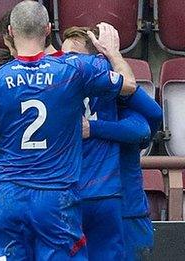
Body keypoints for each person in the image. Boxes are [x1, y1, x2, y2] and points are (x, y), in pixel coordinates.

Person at [0, 1, 137, 260]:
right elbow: (128, 85)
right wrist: (113, 53)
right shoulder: (73, 69)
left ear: (11, 31)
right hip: (57, 196)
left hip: (10, 195)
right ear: (48, 29)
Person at [62, 26, 126, 260]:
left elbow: (147, 122)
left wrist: (96, 128)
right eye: (64, 56)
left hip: (103, 194)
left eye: (74, 57)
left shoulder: (111, 87)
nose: (68, 63)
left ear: (97, 61)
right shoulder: (55, 87)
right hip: (67, 195)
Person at [84, 87, 162, 260]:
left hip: (128, 213)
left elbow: (144, 128)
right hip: (85, 210)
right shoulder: (64, 113)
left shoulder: (123, 112)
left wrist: (93, 127)